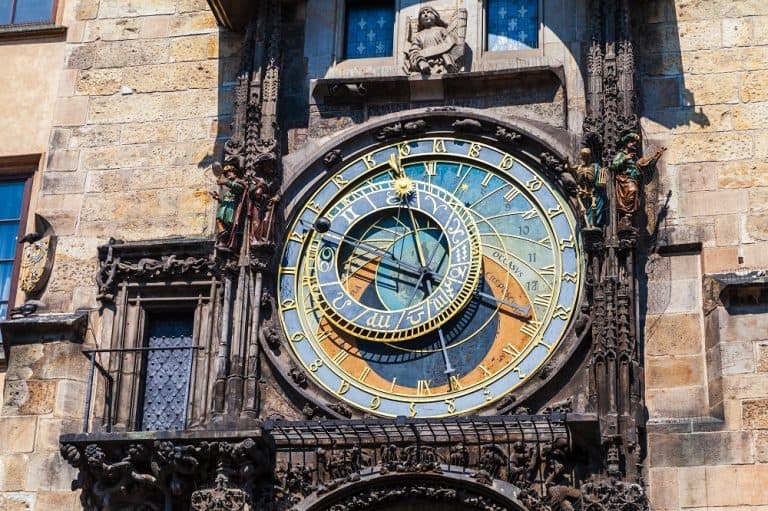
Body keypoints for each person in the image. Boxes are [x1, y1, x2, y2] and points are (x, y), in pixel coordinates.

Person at [610, 133, 666, 227]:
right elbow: (613, 165)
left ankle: (628, 215)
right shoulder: (621, 154)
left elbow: (646, 166)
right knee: (633, 190)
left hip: (634, 180)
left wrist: (656, 157)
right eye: (632, 142)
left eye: (635, 143)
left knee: (635, 195)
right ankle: (625, 214)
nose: (634, 144)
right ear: (626, 143)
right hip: (625, 180)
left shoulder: (635, 157)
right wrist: (624, 158)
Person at [408, 7, 459, 74]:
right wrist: (420, 62)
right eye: (422, 13)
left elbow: (451, 44)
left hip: (442, 65)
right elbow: (413, 51)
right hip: (426, 66)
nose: (425, 15)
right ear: (420, 20)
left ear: (435, 16)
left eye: (428, 12)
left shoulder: (442, 30)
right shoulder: (419, 35)